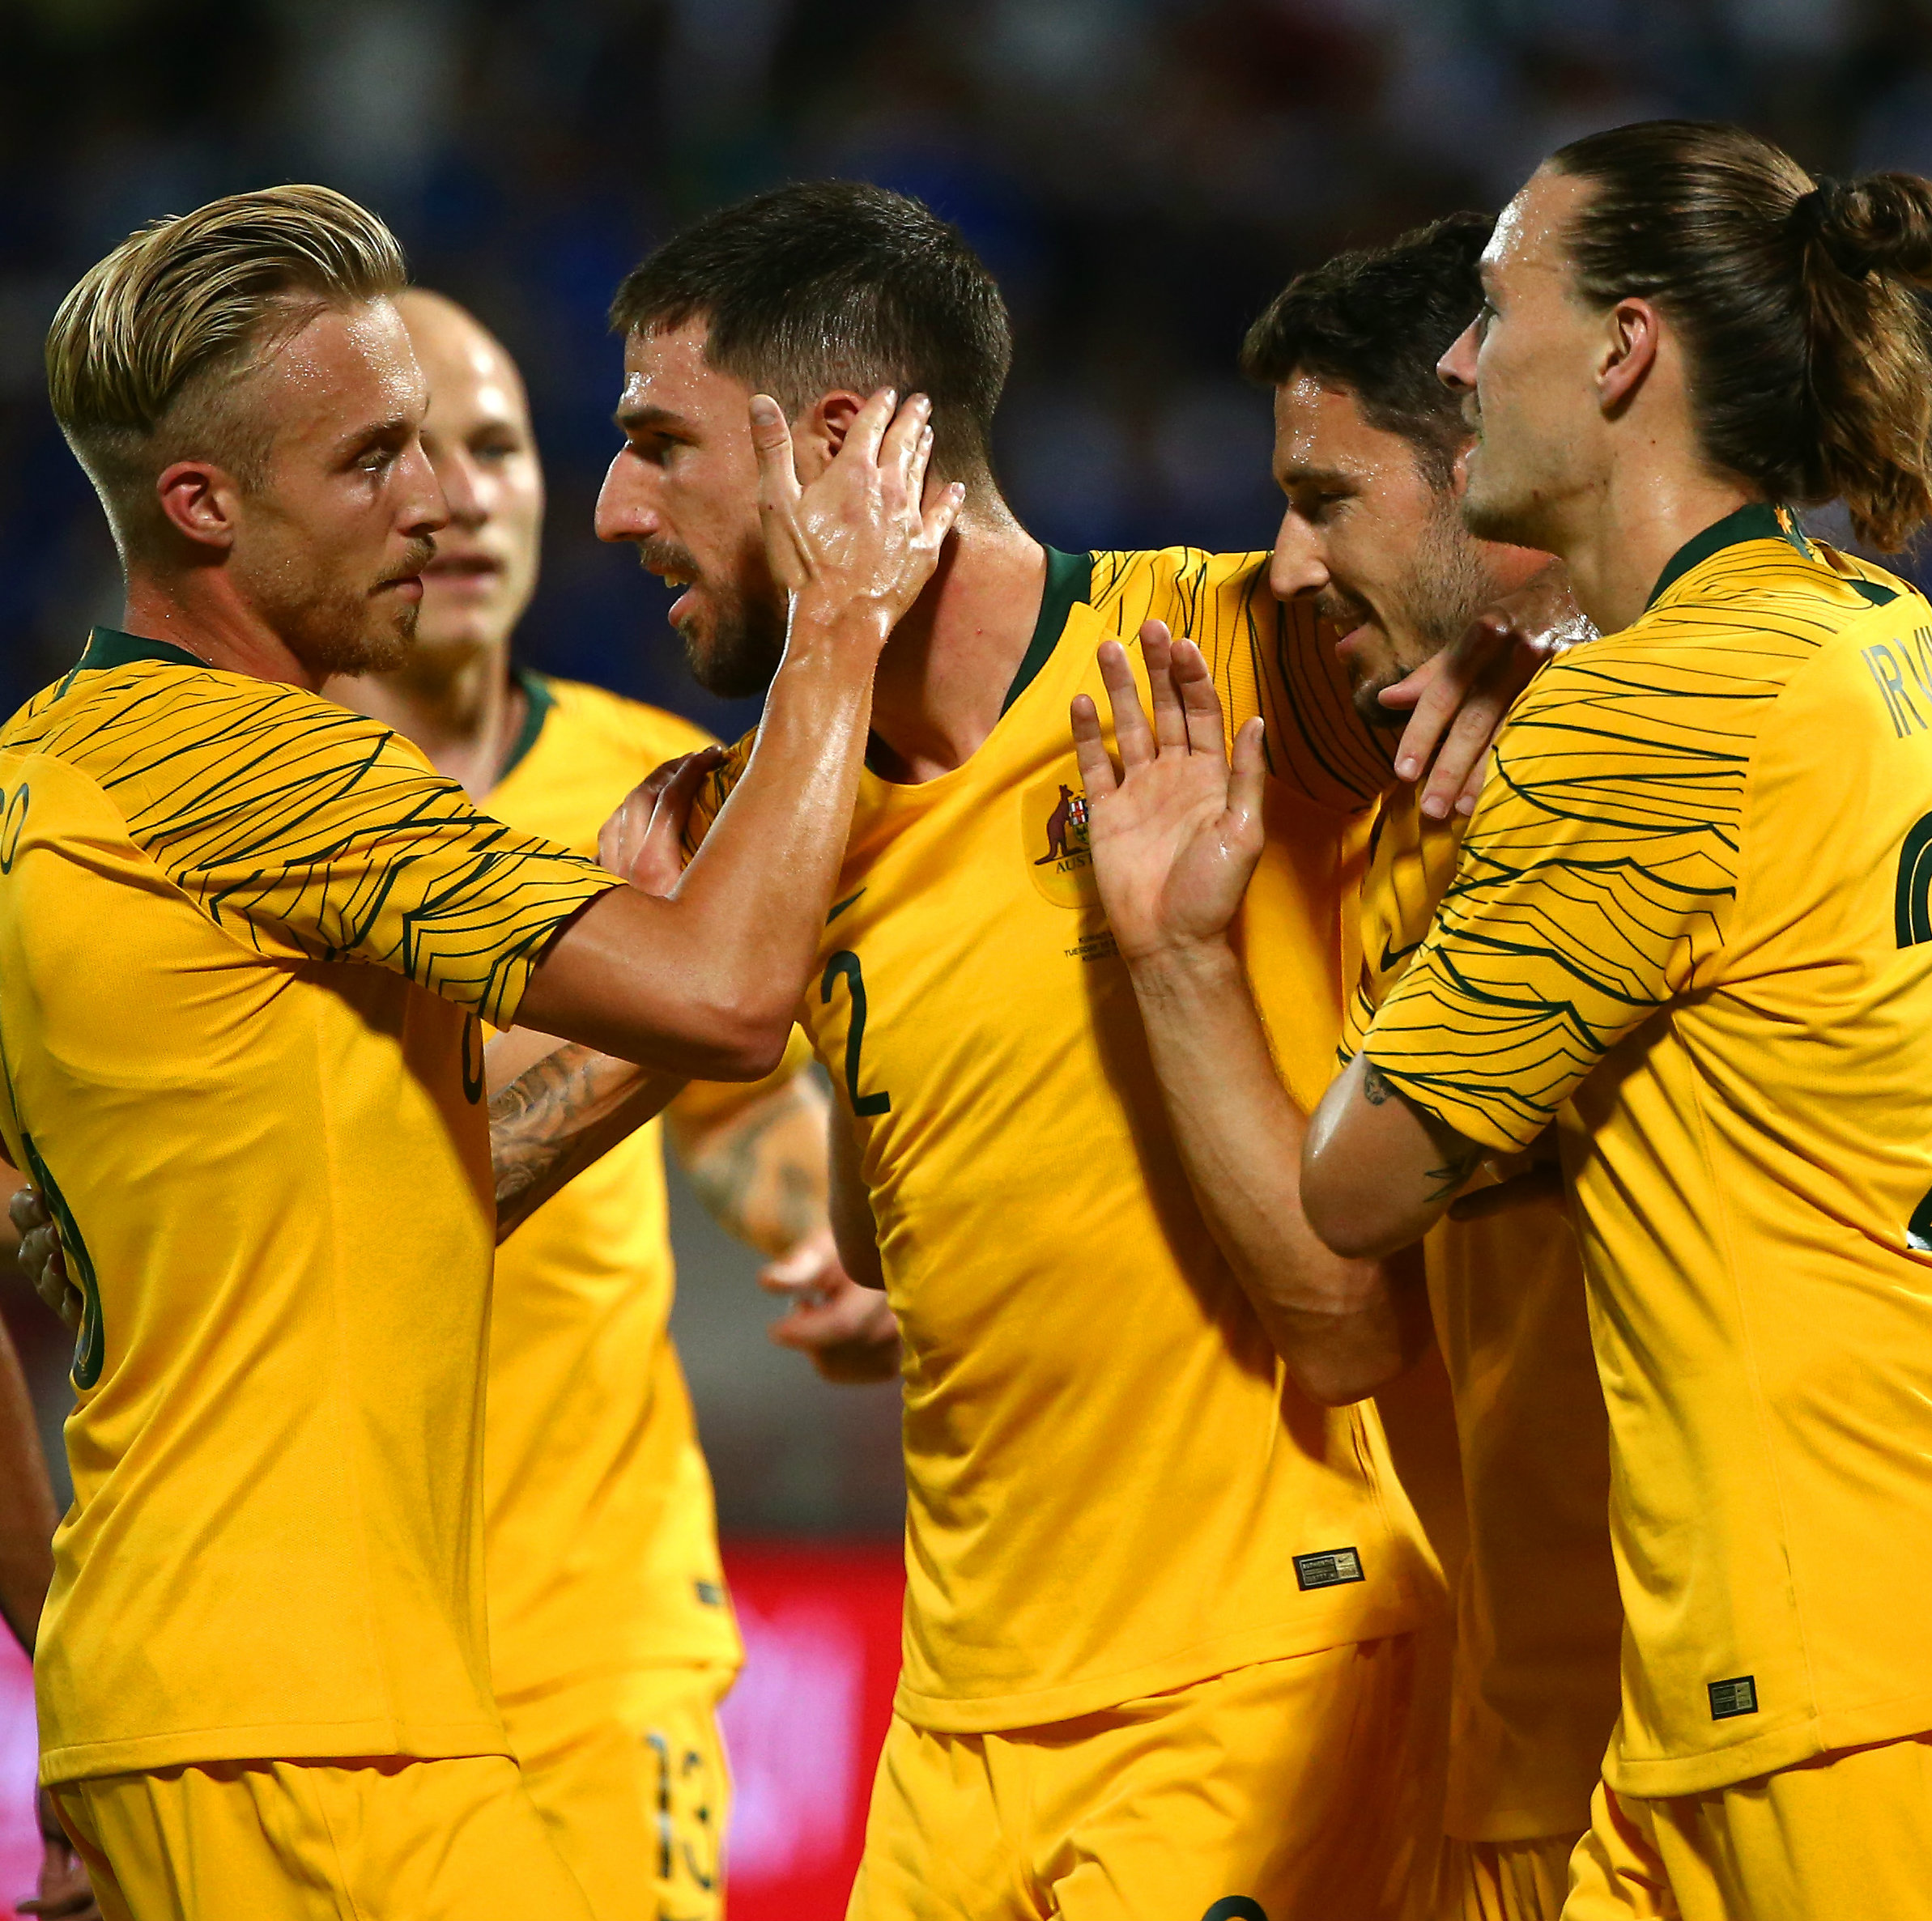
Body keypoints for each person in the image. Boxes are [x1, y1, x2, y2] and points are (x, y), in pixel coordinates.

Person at [1073, 207, 1932, 1919]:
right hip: (1586, 1760)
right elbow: (1354, 1317)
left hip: (1845, 1688)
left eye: (1324, 497)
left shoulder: (1714, 728)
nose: (1283, 566)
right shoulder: (1419, 836)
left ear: (1482, 477)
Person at [0, 183, 955, 1917]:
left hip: (213, 1694)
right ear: (204, 505)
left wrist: (84, 1697)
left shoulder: (50, 774)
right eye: (376, 461)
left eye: (454, 448)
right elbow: (731, 995)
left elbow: (361, 1186)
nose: (440, 506)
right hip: (319, 1722)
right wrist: (835, 623)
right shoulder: (257, 774)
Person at [585, 180, 1514, 1918]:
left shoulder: (1231, 651)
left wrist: (1523, 631)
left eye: (657, 441)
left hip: (1255, 1672)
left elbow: (1507, 589)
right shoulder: (777, 829)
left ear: (840, 442)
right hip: (959, 1720)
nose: (614, 502)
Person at [323, 287, 840, 1919]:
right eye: (394, 456)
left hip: (588, 1635)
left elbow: (748, 1109)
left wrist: (814, 1222)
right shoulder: (188, 810)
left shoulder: (659, 784)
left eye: (496, 446)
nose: (464, 494)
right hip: (289, 1644)